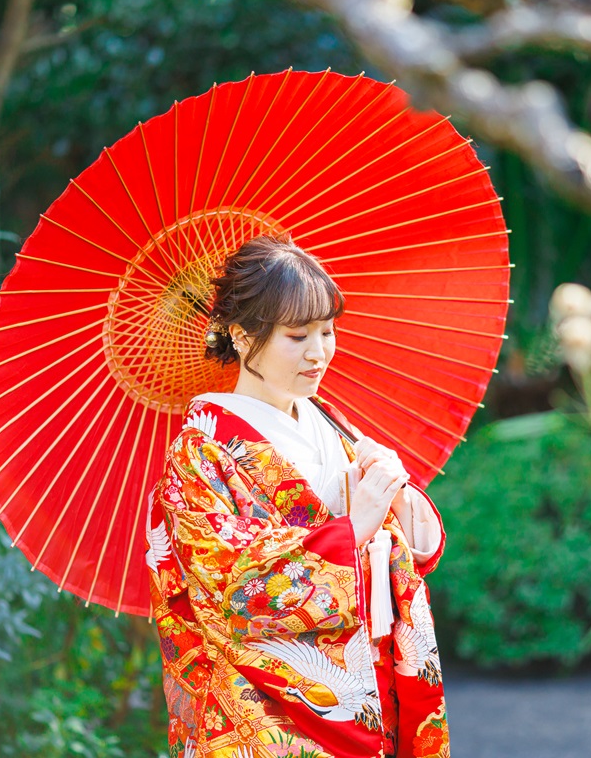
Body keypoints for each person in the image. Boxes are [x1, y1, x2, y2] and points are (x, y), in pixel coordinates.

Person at [145, 235, 450, 758]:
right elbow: (233, 591)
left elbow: (401, 549)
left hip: (373, 684)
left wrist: (401, 505)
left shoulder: (329, 422)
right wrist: (353, 530)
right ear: (241, 337)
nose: (319, 352)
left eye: (328, 332)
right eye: (298, 335)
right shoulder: (201, 452)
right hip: (266, 710)